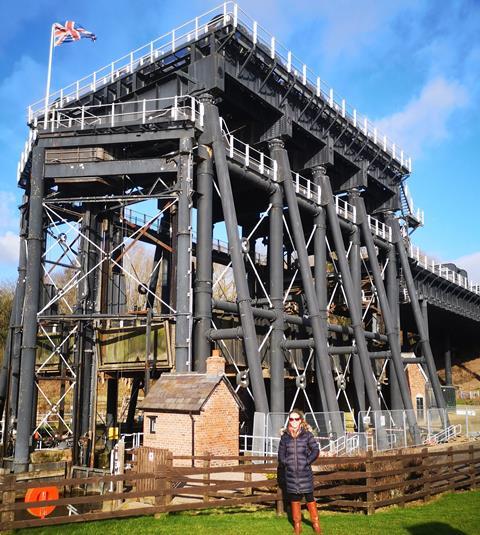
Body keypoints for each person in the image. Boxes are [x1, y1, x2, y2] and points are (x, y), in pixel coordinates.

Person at [278, 409, 321, 534]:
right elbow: (281, 455)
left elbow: (315, 450)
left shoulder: (307, 435)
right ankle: (297, 525)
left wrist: (307, 461)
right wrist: (286, 463)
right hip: (291, 474)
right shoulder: (285, 437)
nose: (294, 421)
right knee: (295, 500)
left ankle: (316, 524)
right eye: (292, 419)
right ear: (289, 421)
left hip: (305, 473)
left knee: (310, 498)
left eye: (297, 419)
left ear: (301, 420)